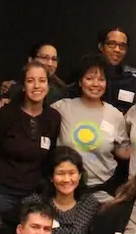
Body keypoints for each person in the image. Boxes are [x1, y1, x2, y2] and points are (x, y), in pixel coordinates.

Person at [0, 61, 61, 234]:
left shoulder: (53, 118)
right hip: (0, 194)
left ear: (48, 85)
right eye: (31, 80)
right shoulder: (6, 114)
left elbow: (51, 157)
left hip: (33, 196)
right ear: (23, 85)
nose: (36, 86)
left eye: (41, 80)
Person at [52, 53, 129, 203]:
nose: (95, 84)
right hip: (67, 192)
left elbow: (122, 150)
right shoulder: (62, 108)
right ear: (80, 82)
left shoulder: (114, 115)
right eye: (89, 78)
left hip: (103, 193)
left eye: (101, 79)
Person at [21, 147, 100, 234]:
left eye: (72, 173)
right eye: (60, 173)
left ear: (80, 175)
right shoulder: (35, 204)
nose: (66, 179)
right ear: (51, 177)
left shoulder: (90, 204)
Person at [85, 26, 136, 113]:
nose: (117, 49)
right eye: (112, 44)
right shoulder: (87, 75)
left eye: (122, 46)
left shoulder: (134, 78)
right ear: (101, 46)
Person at [0, 42, 67, 106]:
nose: (50, 63)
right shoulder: (13, 88)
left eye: (54, 59)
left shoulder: (62, 91)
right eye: (44, 57)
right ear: (31, 60)